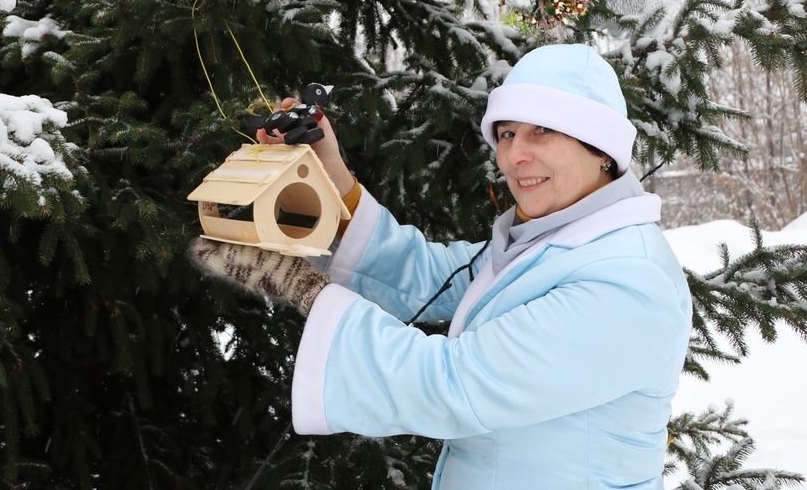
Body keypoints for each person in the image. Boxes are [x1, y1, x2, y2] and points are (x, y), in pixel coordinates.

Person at [193, 44, 692, 489]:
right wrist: (331, 173)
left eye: (542, 131)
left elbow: (456, 384)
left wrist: (305, 289)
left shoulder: (628, 281)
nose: (514, 155)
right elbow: (429, 276)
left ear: (602, 149)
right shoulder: (550, 242)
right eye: (507, 133)